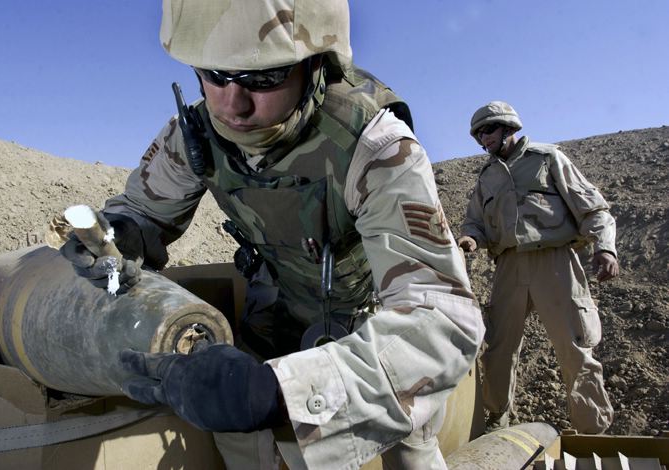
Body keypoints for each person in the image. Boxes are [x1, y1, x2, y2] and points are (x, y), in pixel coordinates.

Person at [62, 1, 484, 468]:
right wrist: (123, 233)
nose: (233, 103)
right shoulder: (195, 134)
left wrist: (275, 394)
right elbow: (143, 209)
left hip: (374, 329)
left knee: (411, 444)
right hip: (277, 308)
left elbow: (443, 321)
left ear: (316, 64)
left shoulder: (376, 146)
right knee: (241, 440)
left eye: (263, 78)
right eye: (215, 74)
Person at [457, 101, 618, 434]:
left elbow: (593, 209)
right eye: (478, 135)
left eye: (488, 130)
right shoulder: (487, 177)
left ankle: (593, 429)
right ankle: (497, 420)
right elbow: (475, 222)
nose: (484, 139)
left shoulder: (547, 158)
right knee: (499, 349)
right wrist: (470, 239)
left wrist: (605, 247)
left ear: (508, 127)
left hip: (554, 261)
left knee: (575, 345)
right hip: (508, 266)